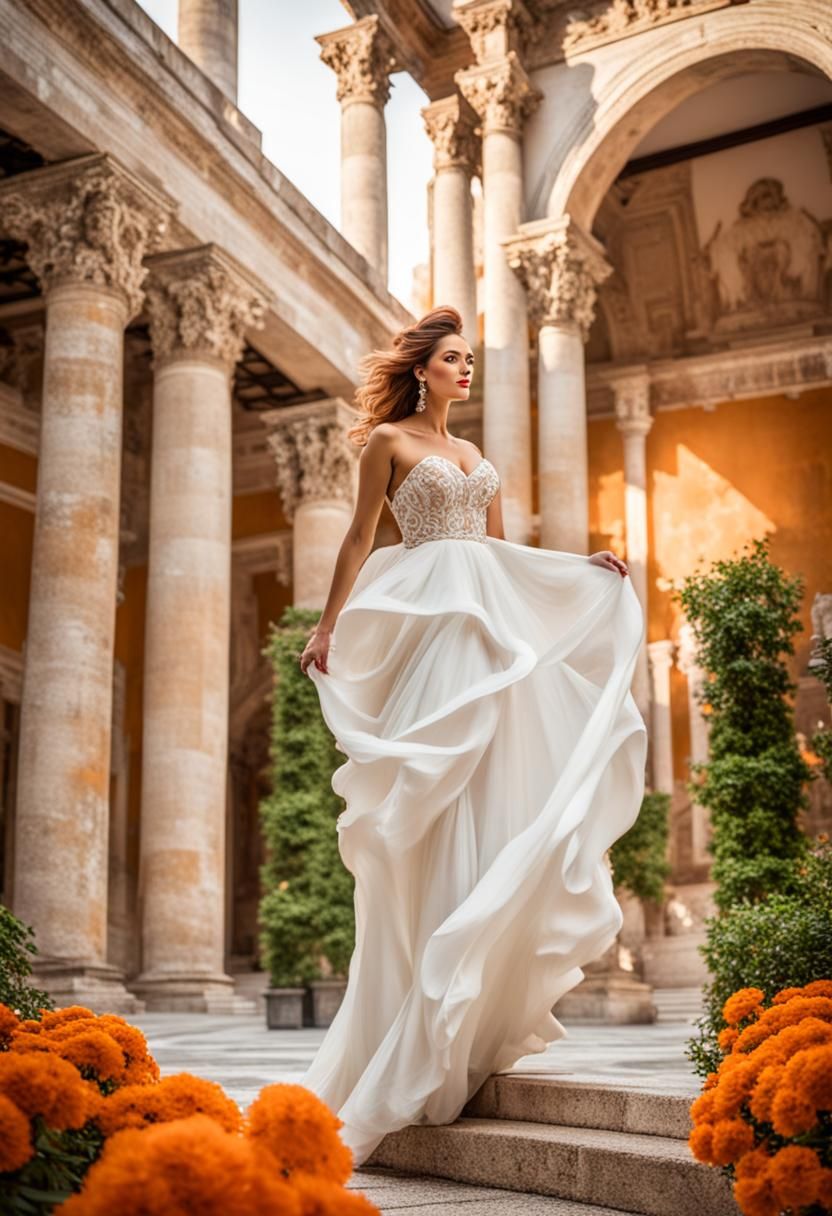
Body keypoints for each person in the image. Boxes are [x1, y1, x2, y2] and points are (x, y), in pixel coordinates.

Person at [296, 305, 647, 1167]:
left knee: (493, 791)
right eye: (453, 358)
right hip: (432, 629)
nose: (465, 369)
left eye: (468, 361)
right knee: (432, 788)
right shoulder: (389, 442)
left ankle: (467, 1009)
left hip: (486, 628)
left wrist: (579, 568)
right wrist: (328, 625)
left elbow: (499, 554)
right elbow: (359, 536)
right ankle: (421, 1008)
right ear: (422, 369)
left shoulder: (474, 453)